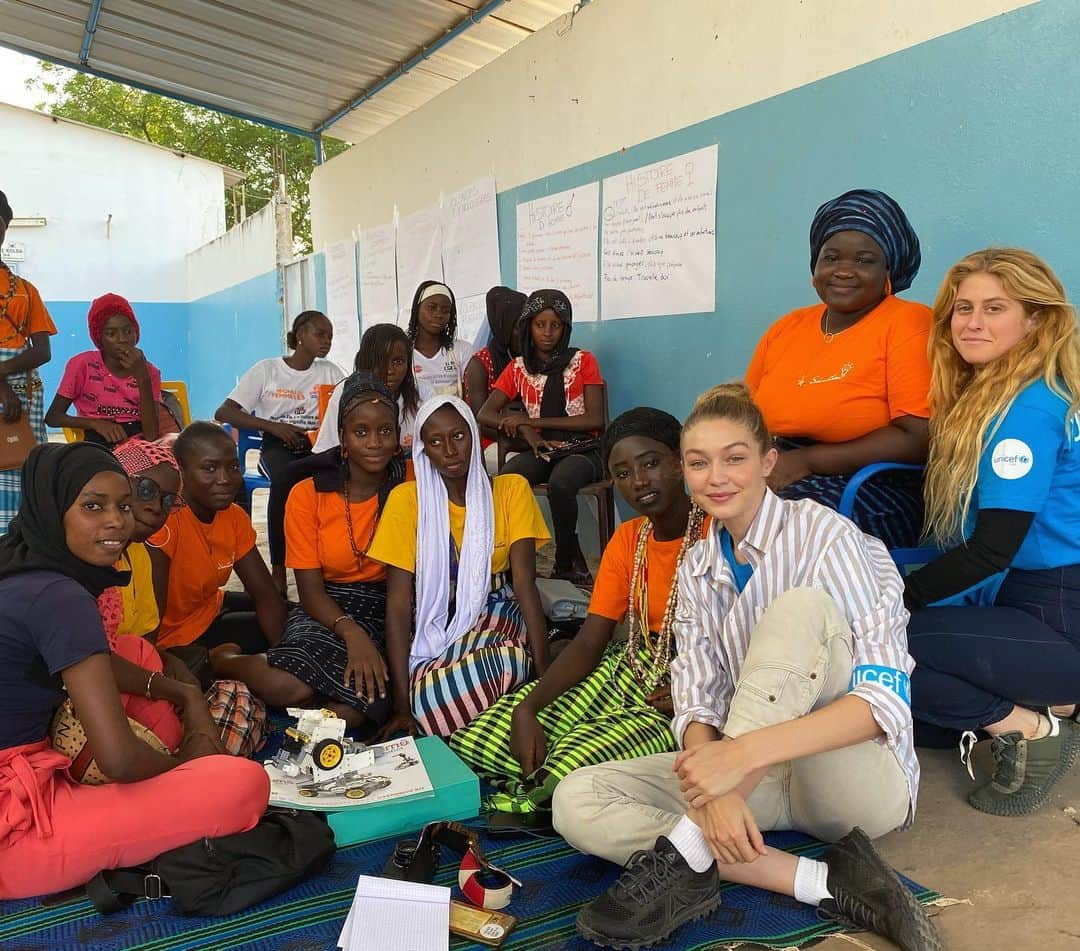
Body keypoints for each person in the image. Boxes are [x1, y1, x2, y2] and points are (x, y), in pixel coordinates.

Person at [554, 383, 940, 951]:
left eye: (735, 458)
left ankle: (687, 853)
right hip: (755, 782)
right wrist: (718, 797)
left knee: (799, 609)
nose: (717, 478)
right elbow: (695, 697)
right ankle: (821, 881)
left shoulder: (825, 538)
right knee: (576, 798)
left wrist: (733, 763)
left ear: (768, 462)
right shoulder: (699, 566)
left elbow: (881, 706)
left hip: (847, 783)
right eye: (699, 462)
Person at [0, 442, 269, 900]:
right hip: (14, 827)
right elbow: (120, 760)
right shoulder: (62, 597)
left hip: (29, 767)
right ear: (53, 508)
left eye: (123, 505)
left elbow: (103, 664)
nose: (116, 521)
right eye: (92, 506)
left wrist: (184, 694)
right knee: (244, 785)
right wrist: (184, 770)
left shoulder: (20, 565)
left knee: (136, 652)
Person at [451, 408, 708, 814]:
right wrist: (527, 707)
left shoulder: (719, 534)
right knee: (484, 736)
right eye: (622, 473)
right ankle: (537, 794)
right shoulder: (629, 539)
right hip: (634, 664)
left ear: (681, 461)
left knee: (572, 761)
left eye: (651, 464)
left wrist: (699, 695)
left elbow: (748, 641)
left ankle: (542, 795)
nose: (639, 482)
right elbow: (590, 639)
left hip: (690, 685)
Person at [904, 248, 1080, 816]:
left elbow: (992, 549)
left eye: (994, 308)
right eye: (963, 308)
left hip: (1058, 610)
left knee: (890, 646)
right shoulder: (1016, 392)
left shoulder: (1026, 409)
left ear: (1035, 320)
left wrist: (895, 599)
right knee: (922, 703)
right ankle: (1060, 703)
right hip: (1038, 601)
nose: (972, 322)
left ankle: (1032, 728)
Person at [211, 374, 411, 732]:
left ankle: (319, 705)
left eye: (385, 431)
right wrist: (352, 634)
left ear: (398, 438)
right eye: (361, 432)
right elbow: (308, 591)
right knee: (286, 686)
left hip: (388, 606)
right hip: (327, 606)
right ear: (343, 440)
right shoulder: (308, 493)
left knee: (352, 714)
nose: (375, 442)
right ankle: (226, 660)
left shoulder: (411, 483)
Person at [745, 188, 931, 549]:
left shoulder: (909, 322)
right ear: (815, 266)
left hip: (874, 484)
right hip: (782, 468)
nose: (844, 271)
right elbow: (744, 416)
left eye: (864, 260)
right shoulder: (787, 328)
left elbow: (918, 437)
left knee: (790, 526)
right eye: (831, 258)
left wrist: (807, 461)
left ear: (889, 270)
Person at [367, 396, 551, 739]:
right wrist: (403, 707)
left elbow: (525, 585)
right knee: (425, 697)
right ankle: (484, 722)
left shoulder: (511, 490)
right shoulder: (408, 502)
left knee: (509, 660)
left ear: (473, 435)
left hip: (496, 611)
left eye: (459, 436)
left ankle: (465, 720)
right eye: (435, 442)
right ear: (424, 451)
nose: (450, 451)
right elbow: (398, 605)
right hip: (434, 618)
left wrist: (546, 681)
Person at [99, 437, 268, 757]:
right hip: (97, 702)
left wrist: (182, 682)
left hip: (140, 680)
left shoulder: (139, 555)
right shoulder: (86, 563)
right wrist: (181, 692)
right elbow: (95, 662)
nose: (155, 507)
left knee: (235, 696)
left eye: (167, 502)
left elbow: (147, 646)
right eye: (146, 491)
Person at [478, 289, 606, 585]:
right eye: (540, 325)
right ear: (528, 326)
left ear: (566, 328)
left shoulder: (583, 361)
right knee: (507, 480)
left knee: (562, 482)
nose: (547, 333)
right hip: (543, 447)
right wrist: (525, 429)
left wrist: (531, 420)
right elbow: (485, 413)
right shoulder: (518, 367)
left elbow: (594, 419)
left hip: (583, 449)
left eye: (555, 325)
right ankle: (512, 563)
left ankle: (565, 560)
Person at [215, 310, 345, 591]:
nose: (327, 341)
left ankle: (332, 560)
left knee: (338, 478)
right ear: (300, 335)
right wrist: (274, 427)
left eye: (330, 336)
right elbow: (224, 411)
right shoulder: (268, 370)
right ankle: (278, 567)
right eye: (320, 334)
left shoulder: (331, 372)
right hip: (278, 445)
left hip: (318, 442)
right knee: (286, 479)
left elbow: (345, 405)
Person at [147, 422, 287, 655]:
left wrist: (285, 655)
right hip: (175, 638)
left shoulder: (234, 517)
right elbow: (151, 621)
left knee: (297, 617)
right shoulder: (166, 523)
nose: (225, 479)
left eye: (232, 467)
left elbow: (265, 594)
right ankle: (218, 661)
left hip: (210, 608)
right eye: (209, 468)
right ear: (181, 471)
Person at [0, 189, 57, 533]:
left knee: (24, 464)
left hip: (26, 390)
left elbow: (42, 350)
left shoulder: (25, 288)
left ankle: (19, 543)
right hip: (12, 386)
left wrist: (2, 376)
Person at [45, 293, 164, 446]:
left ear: (136, 332)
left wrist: (142, 377)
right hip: (97, 441)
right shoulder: (83, 365)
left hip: (138, 444)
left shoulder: (149, 371)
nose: (122, 339)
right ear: (99, 337)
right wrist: (95, 423)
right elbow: (53, 417)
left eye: (128, 331)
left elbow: (152, 435)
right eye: (111, 333)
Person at [313, 322, 421, 454]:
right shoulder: (345, 392)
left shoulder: (422, 392)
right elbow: (326, 452)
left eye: (398, 361)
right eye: (380, 361)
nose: (390, 370)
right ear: (366, 362)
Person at [464, 285, 527, 453]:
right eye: (519, 327)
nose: (526, 333)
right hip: (493, 440)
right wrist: (523, 438)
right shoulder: (480, 364)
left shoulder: (534, 358)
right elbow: (481, 422)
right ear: (503, 326)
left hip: (531, 435)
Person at [406, 281, 475, 402]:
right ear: (417, 309)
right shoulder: (403, 350)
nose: (439, 315)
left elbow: (470, 396)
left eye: (445, 310)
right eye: (432, 308)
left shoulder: (462, 350)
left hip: (454, 419)